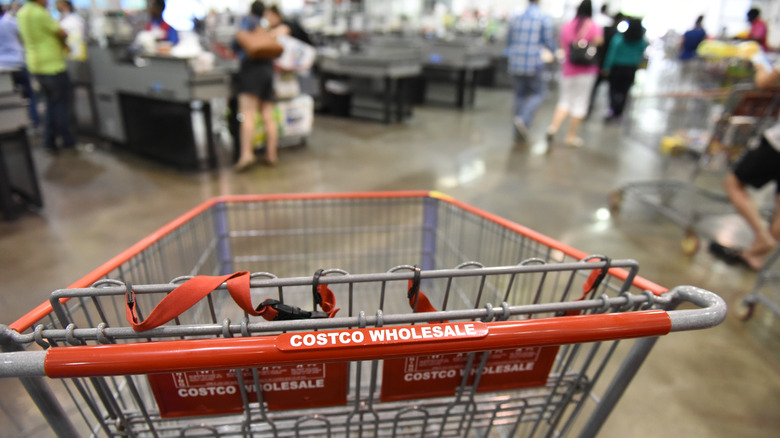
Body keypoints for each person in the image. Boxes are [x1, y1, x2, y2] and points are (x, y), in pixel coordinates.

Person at [714, 55, 780, 270]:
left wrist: (760, 63)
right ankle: (755, 254)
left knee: (733, 183)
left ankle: (761, 237)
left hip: (776, 146)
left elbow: (764, 82)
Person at [17, 0, 75, 152]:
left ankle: (49, 141)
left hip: (35, 65)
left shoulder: (22, 13)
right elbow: (61, 33)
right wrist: (65, 44)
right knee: (61, 104)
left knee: (50, 103)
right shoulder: (40, 13)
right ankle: (68, 141)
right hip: (53, 66)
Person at [547, 0, 603, 148]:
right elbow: (599, 42)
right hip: (586, 71)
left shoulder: (567, 26)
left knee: (564, 100)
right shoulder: (594, 26)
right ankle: (570, 136)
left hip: (568, 70)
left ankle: (553, 128)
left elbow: (562, 44)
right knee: (580, 103)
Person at [233, 1, 277, 171]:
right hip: (268, 71)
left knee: (248, 114)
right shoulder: (265, 27)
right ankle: (271, 154)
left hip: (251, 71)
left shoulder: (246, 23)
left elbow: (235, 45)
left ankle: (246, 155)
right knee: (268, 115)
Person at [505, 0, 555, 142]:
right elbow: (549, 41)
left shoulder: (516, 17)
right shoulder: (543, 18)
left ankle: (518, 128)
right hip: (534, 64)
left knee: (519, 95)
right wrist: (555, 52)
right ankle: (523, 120)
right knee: (539, 93)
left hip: (516, 62)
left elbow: (509, 40)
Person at [0, 3, 40, 128]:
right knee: (28, 94)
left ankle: (13, 124)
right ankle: (34, 122)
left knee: (7, 100)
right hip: (17, 63)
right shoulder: (10, 22)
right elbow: (23, 37)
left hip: (2, 68)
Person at [602, 17, 648, 122]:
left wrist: (606, 67)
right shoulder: (641, 41)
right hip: (630, 69)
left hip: (617, 68)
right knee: (624, 92)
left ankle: (611, 108)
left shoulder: (619, 38)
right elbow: (642, 55)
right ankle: (618, 113)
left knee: (613, 90)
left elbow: (611, 54)